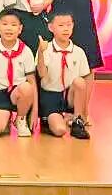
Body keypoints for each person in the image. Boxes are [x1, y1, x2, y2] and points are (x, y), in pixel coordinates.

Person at [36, 12, 91, 140]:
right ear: (50, 27)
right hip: (51, 96)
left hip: (68, 95)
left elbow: (84, 82)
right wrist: (40, 53)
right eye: (61, 25)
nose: (66, 29)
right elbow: (42, 74)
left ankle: (77, 121)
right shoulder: (46, 49)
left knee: (80, 81)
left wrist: (84, 111)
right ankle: (51, 119)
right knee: (59, 130)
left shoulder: (79, 51)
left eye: (68, 25)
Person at [0, 9, 38, 138]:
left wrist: (35, 110)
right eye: (5, 24)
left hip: (18, 94)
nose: (9, 28)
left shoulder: (26, 51)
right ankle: (6, 118)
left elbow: (32, 81)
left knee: (26, 87)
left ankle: (20, 119)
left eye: (13, 25)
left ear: (20, 29)